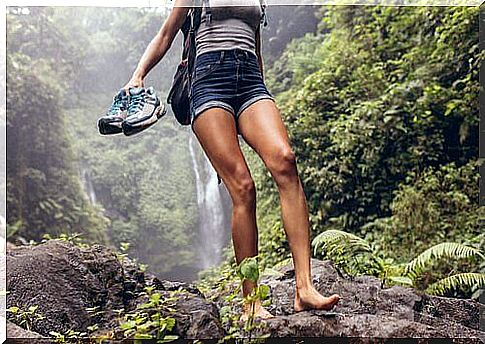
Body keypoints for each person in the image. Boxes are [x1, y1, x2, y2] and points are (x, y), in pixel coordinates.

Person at [123, 0, 340, 320]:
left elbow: (256, 43)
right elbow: (167, 33)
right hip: (209, 81)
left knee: (285, 161)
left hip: (251, 80)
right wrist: (138, 76)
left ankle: (304, 288)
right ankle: (251, 304)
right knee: (243, 187)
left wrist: (262, 97)